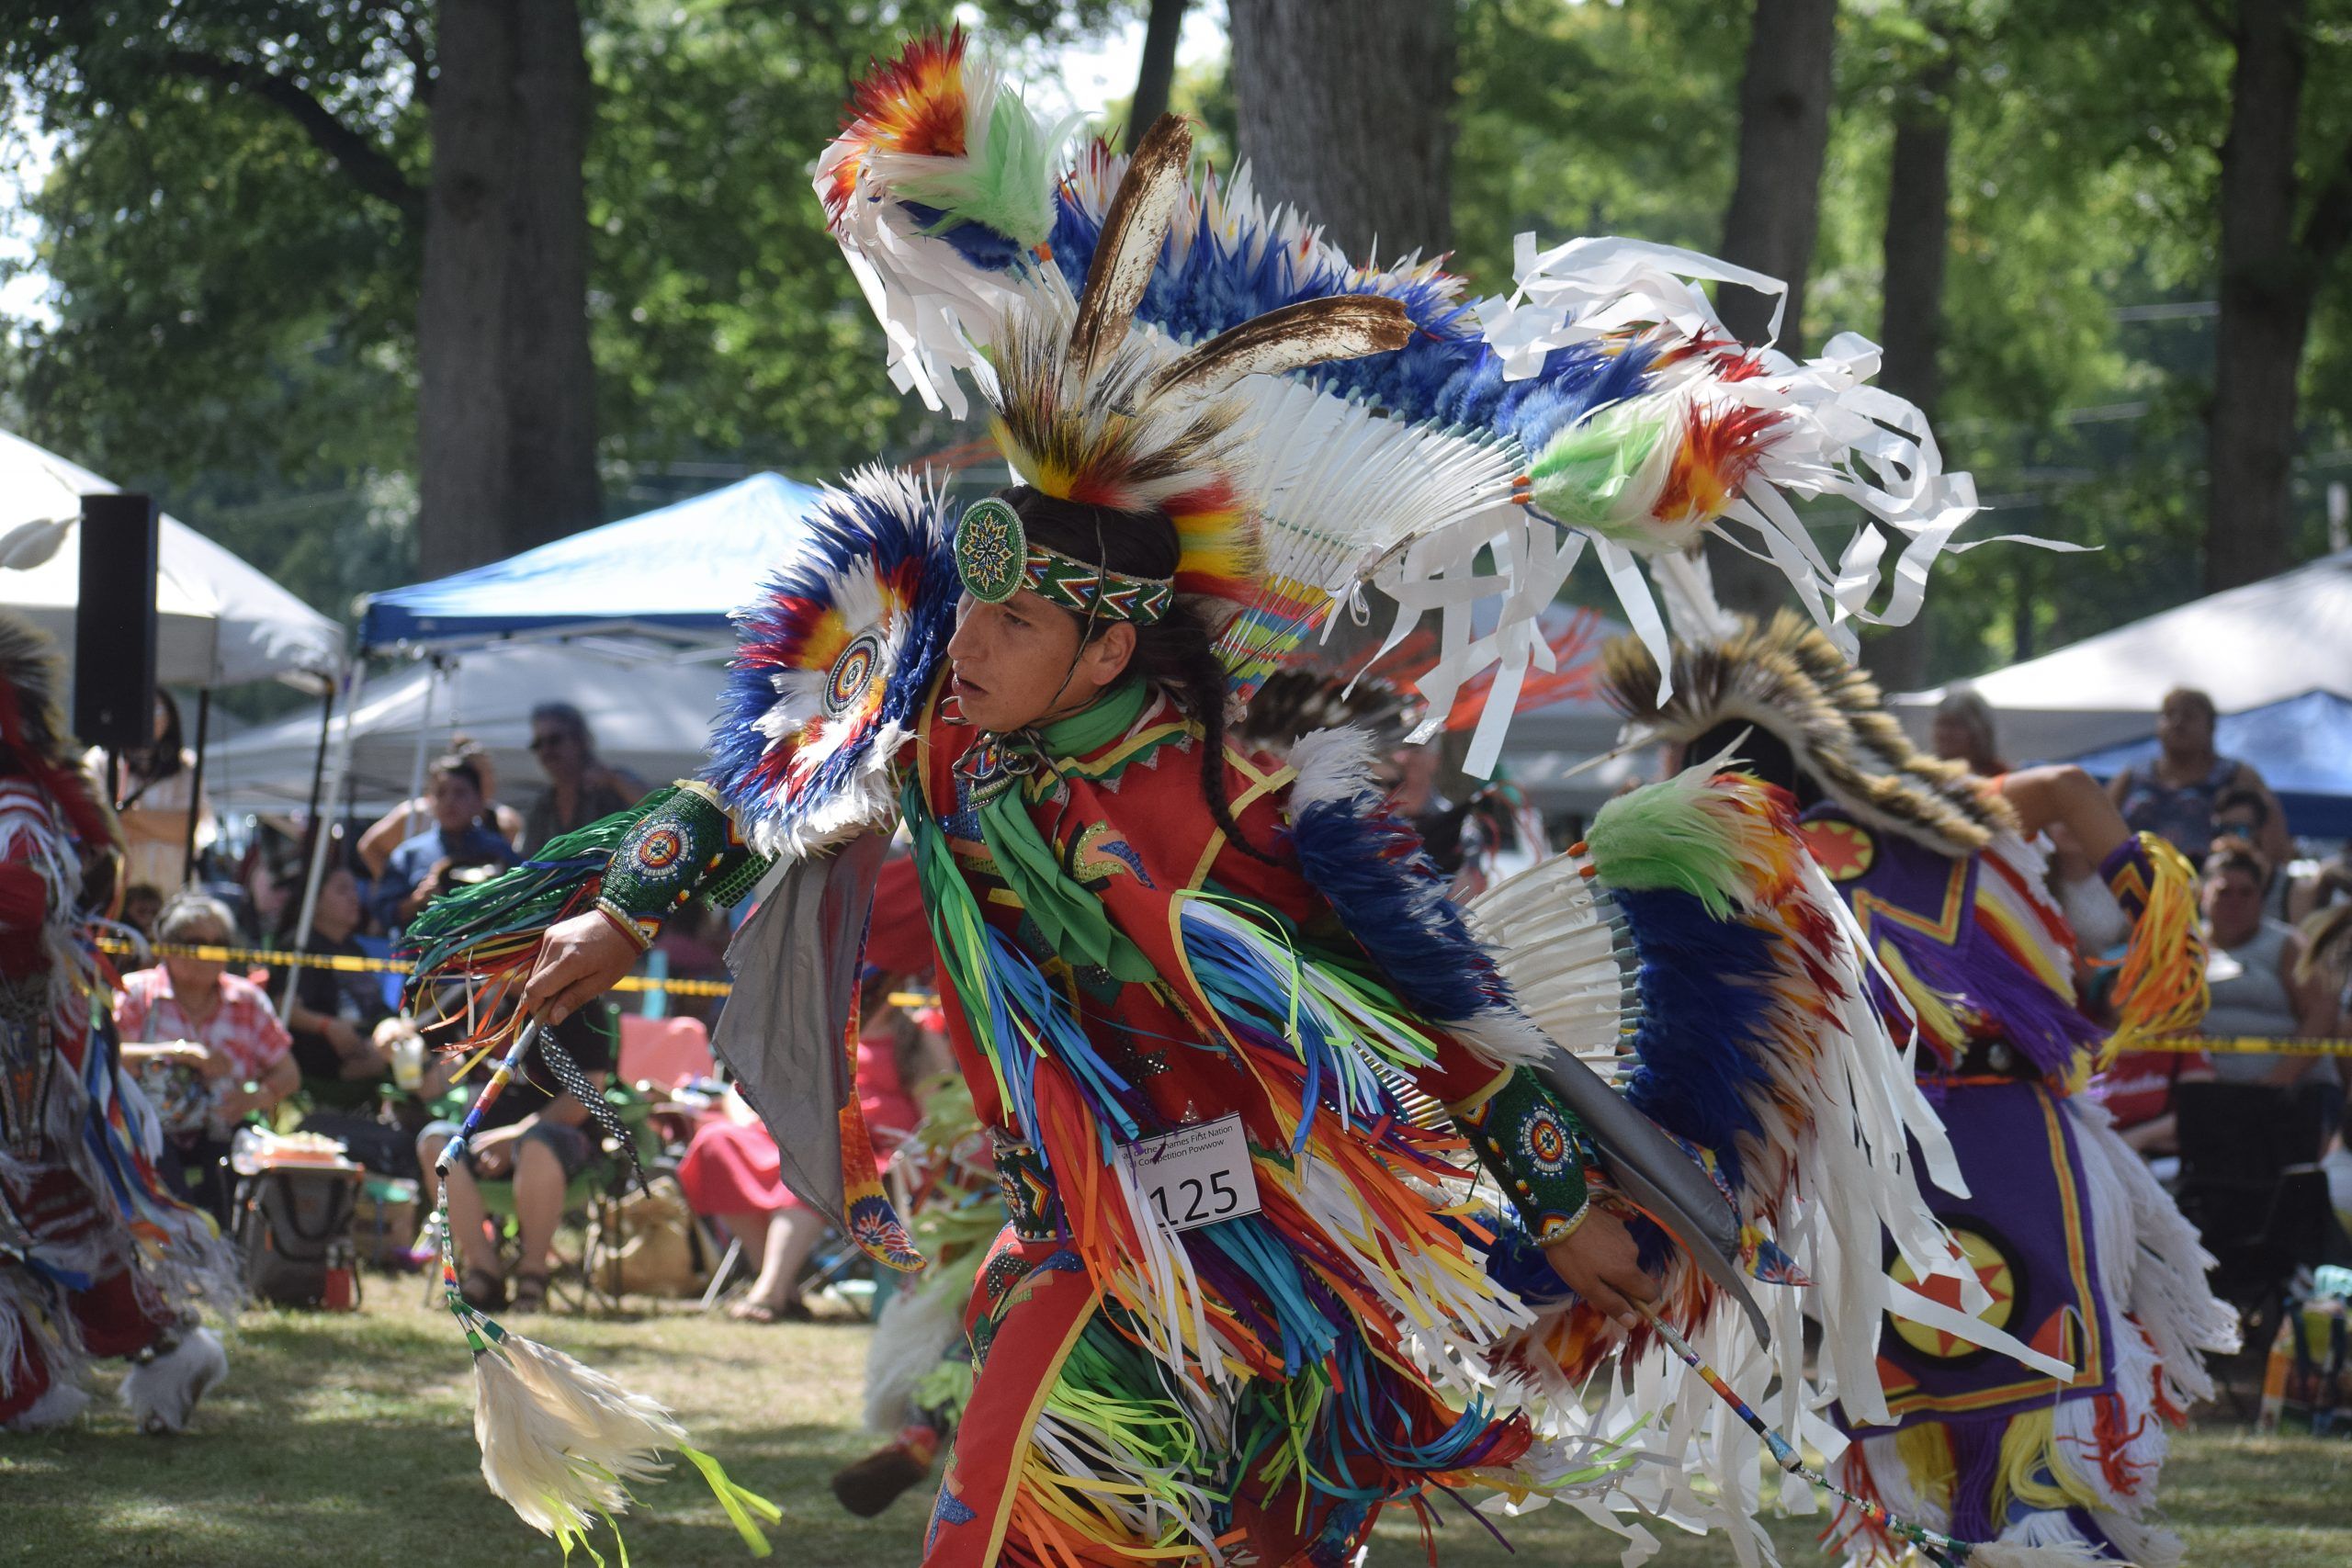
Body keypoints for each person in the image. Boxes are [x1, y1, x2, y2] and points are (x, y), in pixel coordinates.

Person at [1605, 612, 2236, 1566]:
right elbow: (2068, 789)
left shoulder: (1744, 877)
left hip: (1885, 1167)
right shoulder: (1937, 818)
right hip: (2019, 1140)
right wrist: (2161, 925)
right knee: (2031, 1397)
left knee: (1918, 1412)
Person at [0, 613, 232, 1434]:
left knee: (45, 1214)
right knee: (44, 1215)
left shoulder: (16, 807)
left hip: (20, 1055)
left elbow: (26, 907)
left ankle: (146, 1352)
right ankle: (35, 1387)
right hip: (26, 1052)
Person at [678, 969, 933, 1322]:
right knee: (716, 1141)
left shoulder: (915, 1037)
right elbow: (743, 1088)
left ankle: (769, 1291)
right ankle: (780, 1285)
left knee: (820, 1158)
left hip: (872, 1152)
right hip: (802, 1134)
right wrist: (752, 1119)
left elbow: (936, 1112)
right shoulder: (813, 1029)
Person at [417, 1002, 616, 1315]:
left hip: (559, 1143)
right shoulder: (480, 994)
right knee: (435, 1142)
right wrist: (393, 1034)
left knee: (534, 1145)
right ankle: (484, 1270)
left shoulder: (578, 1004)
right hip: (482, 1140)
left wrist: (516, 1135)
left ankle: (533, 1273)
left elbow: (589, 1091)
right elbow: (416, 1030)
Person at [113, 892, 299, 1224]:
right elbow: (109, 1058)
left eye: (220, 942)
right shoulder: (137, 993)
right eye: (198, 941)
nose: (211, 952)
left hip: (221, 1128)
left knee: (239, 1174)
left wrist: (256, 1096)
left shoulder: (248, 1000)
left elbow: (289, 1074)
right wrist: (178, 1053)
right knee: (163, 1182)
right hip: (149, 1129)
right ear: (168, 946)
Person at [2201, 842, 2343, 1137]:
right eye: (2224, 892)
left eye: (2246, 893)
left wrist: (2277, 1081)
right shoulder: (2186, 946)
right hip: (2206, 1094)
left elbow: (2322, 1014)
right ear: (2203, 896)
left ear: (2262, 898)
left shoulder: (2288, 945)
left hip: (2288, 1094)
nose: (2234, 902)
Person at [2109, 685, 2291, 868]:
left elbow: (2275, 848)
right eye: (2169, 714)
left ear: (2211, 727)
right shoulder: (2132, 776)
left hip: (2213, 889)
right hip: (2135, 886)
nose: (2178, 722)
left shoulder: (2236, 776)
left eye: (2189, 716)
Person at [372, 754, 518, 931]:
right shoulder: (409, 854)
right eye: (441, 792)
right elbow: (384, 912)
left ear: (480, 801)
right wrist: (417, 901)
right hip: (424, 956)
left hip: (484, 953)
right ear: (429, 800)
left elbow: (523, 900)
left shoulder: (499, 852)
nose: (449, 801)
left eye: (460, 793)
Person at [92, 690, 214, 890]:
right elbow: (100, 827)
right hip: (118, 890)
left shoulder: (184, 767)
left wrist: (130, 816)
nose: (148, 718)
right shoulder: (102, 763)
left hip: (172, 888)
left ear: (170, 718)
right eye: (140, 710)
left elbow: (186, 827)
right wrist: (161, 827)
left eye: (156, 711)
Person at [356, 736, 524, 876]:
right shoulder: (415, 814)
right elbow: (369, 847)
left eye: (487, 773)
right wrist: (398, 887)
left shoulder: (504, 822)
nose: (484, 781)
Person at [519, 703, 643, 853]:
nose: (546, 750)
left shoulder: (614, 785)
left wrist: (614, 781)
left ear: (580, 740)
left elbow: (664, 813)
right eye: (538, 744)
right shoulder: (542, 805)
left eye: (554, 740)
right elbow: (528, 862)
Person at [1929, 684, 2008, 777]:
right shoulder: (1928, 774)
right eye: (1940, 724)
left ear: (1978, 731)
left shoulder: (1999, 777)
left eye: (1954, 725)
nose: (1944, 733)